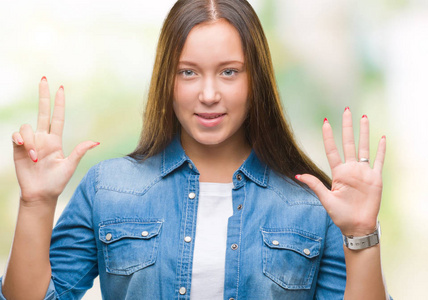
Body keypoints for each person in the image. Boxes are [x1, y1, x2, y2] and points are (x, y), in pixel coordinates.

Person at [1, 0, 390, 299]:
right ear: (166, 80)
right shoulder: (108, 188)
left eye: (229, 71)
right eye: (188, 72)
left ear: (256, 82)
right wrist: (35, 203)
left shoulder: (313, 205)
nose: (208, 94)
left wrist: (361, 235)